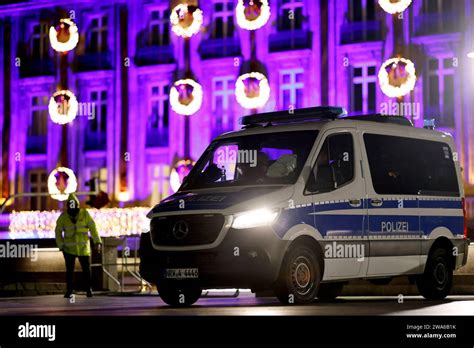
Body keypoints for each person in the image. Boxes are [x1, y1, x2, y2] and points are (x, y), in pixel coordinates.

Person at [55, 193, 102, 298]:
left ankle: (88, 289)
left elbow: (93, 228)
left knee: (86, 271)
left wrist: (97, 241)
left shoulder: (84, 214)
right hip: (69, 249)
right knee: (70, 271)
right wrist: (61, 246)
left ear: (77, 205)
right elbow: (58, 231)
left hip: (83, 248)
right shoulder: (64, 217)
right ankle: (70, 290)